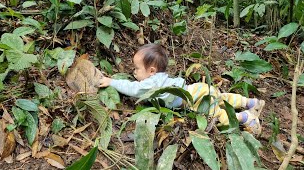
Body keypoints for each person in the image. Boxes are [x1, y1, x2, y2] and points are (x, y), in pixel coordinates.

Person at [99, 44, 265, 135]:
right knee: (222, 97)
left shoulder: (150, 84)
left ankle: (245, 118)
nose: (134, 72)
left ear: (151, 71)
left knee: (217, 114)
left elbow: (133, 89)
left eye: (137, 69)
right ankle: (251, 102)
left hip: (193, 99)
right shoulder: (161, 77)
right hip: (196, 88)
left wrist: (111, 81)